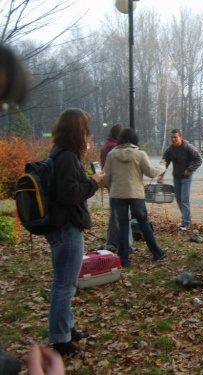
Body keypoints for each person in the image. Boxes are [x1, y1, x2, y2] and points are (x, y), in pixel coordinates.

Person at [44, 108, 104, 356]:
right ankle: (61, 340)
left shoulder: (59, 152)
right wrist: (94, 181)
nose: (88, 134)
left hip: (63, 225)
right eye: (86, 129)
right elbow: (70, 194)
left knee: (65, 282)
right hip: (66, 227)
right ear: (78, 130)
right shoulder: (66, 156)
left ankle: (66, 328)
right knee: (65, 285)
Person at [104, 128, 167, 267]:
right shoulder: (140, 154)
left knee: (123, 226)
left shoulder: (112, 155)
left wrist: (112, 187)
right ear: (135, 139)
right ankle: (157, 252)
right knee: (144, 224)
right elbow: (151, 172)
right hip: (135, 194)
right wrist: (162, 166)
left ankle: (123, 259)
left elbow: (106, 176)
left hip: (118, 194)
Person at [99, 124, 136, 254]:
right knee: (123, 217)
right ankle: (124, 245)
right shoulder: (113, 148)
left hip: (112, 185)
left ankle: (112, 242)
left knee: (114, 216)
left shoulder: (106, 145)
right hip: (118, 186)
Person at [159, 129, 202, 231]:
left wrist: (190, 169)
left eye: (175, 137)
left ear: (180, 137)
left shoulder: (188, 147)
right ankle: (185, 219)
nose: (173, 139)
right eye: (172, 137)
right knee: (178, 199)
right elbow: (164, 162)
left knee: (184, 199)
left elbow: (198, 159)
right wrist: (161, 176)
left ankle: (186, 223)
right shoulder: (170, 149)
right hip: (176, 176)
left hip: (186, 177)